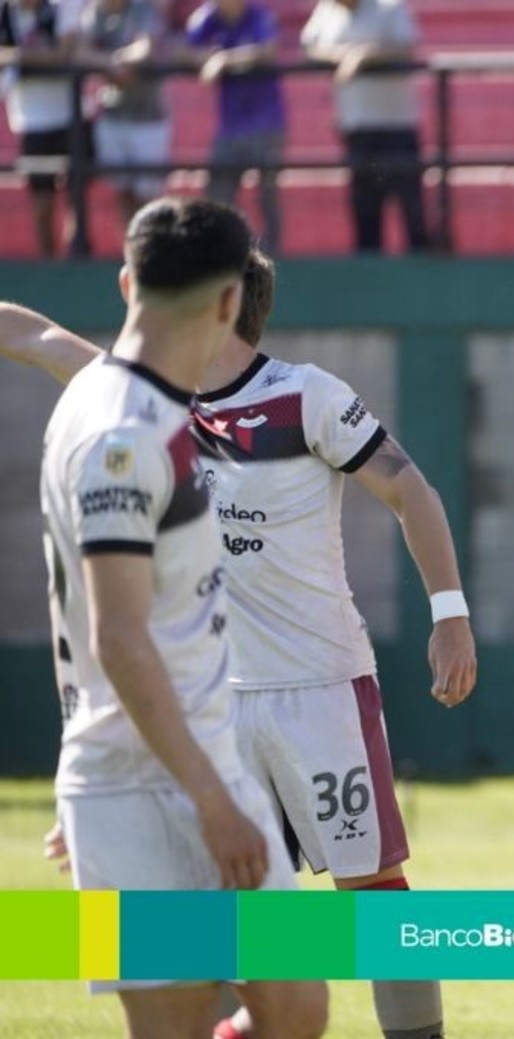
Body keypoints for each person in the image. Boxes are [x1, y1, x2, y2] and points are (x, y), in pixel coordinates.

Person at [3, 246, 476, 1039]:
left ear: (219, 304)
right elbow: (39, 335)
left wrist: (451, 613)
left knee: (373, 891)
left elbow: (408, 487)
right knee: (211, 901)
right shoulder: (135, 401)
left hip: (319, 686)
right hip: (205, 707)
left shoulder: (304, 396)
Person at [40, 196, 329, 1039]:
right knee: (170, 1023)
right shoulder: (121, 436)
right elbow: (117, 636)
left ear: (126, 281)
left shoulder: (118, 397)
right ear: (231, 301)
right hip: (141, 786)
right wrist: (210, 799)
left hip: (206, 767)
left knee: (296, 1009)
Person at [301, 0, 430, 254]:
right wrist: (344, 56)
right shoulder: (326, 10)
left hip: (397, 126)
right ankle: (371, 281)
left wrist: (364, 56)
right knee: (365, 216)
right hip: (356, 127)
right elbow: (309, 47)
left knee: (413, 214)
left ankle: (423, 282)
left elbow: (405, 47)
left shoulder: (390, 6)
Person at [186, 0, 287, 251]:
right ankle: (228, 251)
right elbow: (183, 49)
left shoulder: (259, 16)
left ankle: (273, 256)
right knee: (219, 193)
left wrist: (225, 60)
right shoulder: (208, 17)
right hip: (230, 125)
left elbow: (270, 49)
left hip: (267, 121)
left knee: (268, 195)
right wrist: (203, 57)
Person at [0, 0, 82, 257]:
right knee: (41, 203)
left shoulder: (61, 7)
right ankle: (49, 264)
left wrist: (17, 55)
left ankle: (75, 260)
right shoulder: (5, 12)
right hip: (30, 121)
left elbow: (65, 52)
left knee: (76, 198)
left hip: (72, 116)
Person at [80, 0, 170, 229]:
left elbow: (145, 47)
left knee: (148, 196)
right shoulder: (94, 13)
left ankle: (153, 250)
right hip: (112, 116)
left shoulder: (143, 9)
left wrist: (115, 62)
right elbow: (82, 51)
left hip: (149, 118)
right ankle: (131, 253)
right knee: (122, 190)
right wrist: (111, 65)